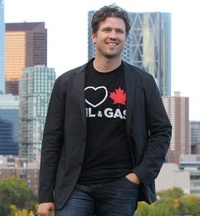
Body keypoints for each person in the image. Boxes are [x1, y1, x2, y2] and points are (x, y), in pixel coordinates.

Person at [37, 4, 172, 216]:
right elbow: (52, 140)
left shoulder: (143, 82)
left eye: (119, 31)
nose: (113, 35)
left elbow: (162, 131)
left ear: (125, 38)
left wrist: (139, 175)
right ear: (94, 35)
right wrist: (45, 196)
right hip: (74, 186)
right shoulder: (66, 83)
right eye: (107, 30)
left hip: (121, 185)